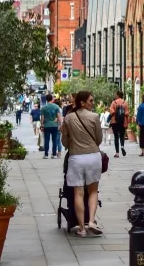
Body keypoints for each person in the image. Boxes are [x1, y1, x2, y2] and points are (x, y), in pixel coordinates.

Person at [60, 90, 104, 238]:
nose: (93, 103)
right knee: (93, 191)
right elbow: (98, 139)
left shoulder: (68, 118)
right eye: (90, 101)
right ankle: (91, 221)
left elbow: (65, 142)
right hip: (93, 156)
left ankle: (81, 229)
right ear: (82, 102)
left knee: (78, 193)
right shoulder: (94, 117)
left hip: (76, 157)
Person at [40, 94, 62, 159]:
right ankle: (54, 154)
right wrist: (59, 124)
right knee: (54, 140)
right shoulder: (56, 107)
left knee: (46, 140)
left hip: (46, 125)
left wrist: (42, 125)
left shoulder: (43, 108)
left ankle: (46, 154)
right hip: (54, 125)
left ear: (46, 99)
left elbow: (42, 118)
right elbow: (59, 116)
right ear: (52, 98)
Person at [109, 90, 129, 158]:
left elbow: (111, 112)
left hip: (115, 122)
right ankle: (122, 147)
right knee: (122, 136)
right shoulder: (125, 102)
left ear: (117, 95)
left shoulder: (113, 102)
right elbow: (127, 113)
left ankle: (117, 153)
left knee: (116, 137)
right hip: (123, 122)